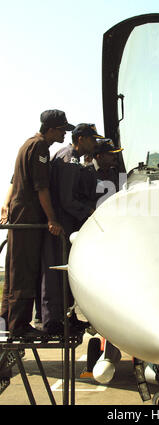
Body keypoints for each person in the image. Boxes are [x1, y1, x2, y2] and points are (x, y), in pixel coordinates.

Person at [0, 109, 72, 338]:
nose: (64, 135)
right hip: (29, 217)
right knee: (25, 269)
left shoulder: (27, 145)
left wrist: (6, 205)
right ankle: (19, 325)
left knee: (14, 268)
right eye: (62, 130)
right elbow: (41, 187)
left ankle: (5, 319)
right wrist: (52, 219)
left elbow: (14, 180)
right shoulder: (40, 147)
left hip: (19, 214)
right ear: (51, 129)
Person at [41, 123, 113, 335]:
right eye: (92, 139)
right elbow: (66, 200)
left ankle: (64, 319)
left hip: (67, 223)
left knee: (66, 273)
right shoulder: (69, 159)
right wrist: (89, 212)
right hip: (62, 224)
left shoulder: (74, 158)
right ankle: (52, 322)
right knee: (55, 272)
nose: (94, 144)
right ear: (81, 139)